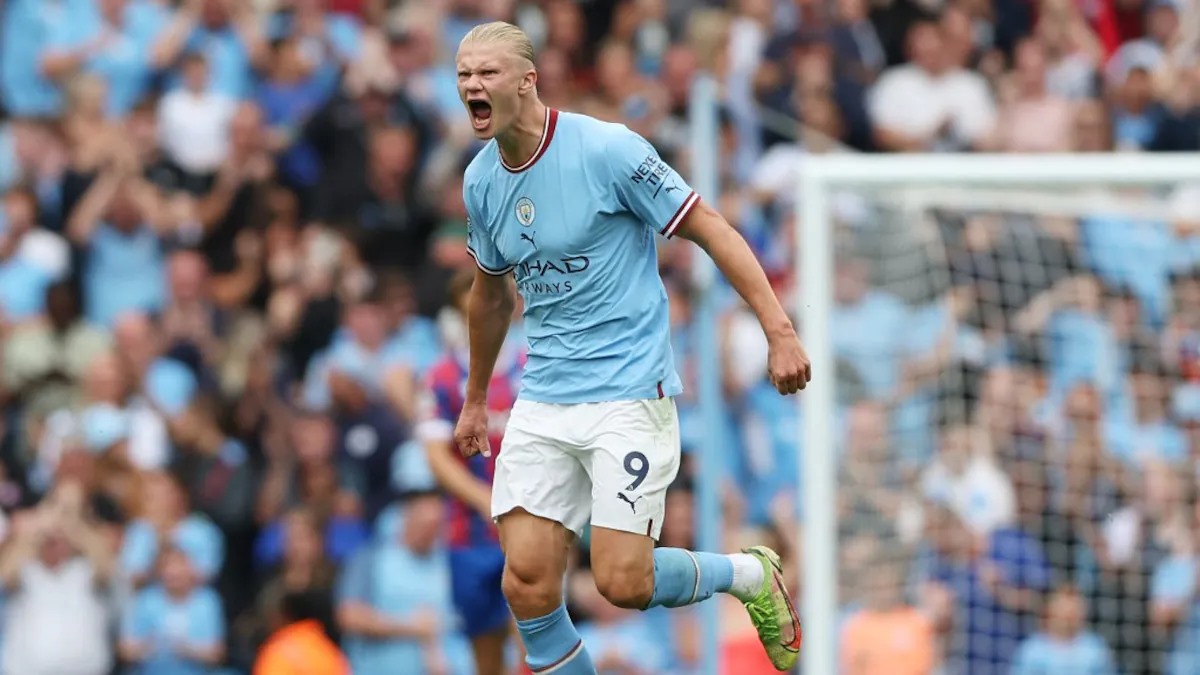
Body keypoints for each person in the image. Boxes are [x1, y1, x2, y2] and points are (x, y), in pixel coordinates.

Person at [452, 21, 810, 674]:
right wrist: (476, 398)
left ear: (528, 80)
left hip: (627, 392)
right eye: (464, 75)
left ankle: (748, 572)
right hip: (544, 395)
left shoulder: (607, 151)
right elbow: (491, 296)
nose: (472, 86)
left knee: (624, 581)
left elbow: (710, 228)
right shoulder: (481, 181)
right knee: (525, 582)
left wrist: (779, 330)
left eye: (487, 73)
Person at [419, 267, 524, 675]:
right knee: (485, 647)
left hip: (526, 519)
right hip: (469, 533)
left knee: (533, 630)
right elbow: (436, 455)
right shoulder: (442, 378)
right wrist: (483, 499)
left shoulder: (531, 367)